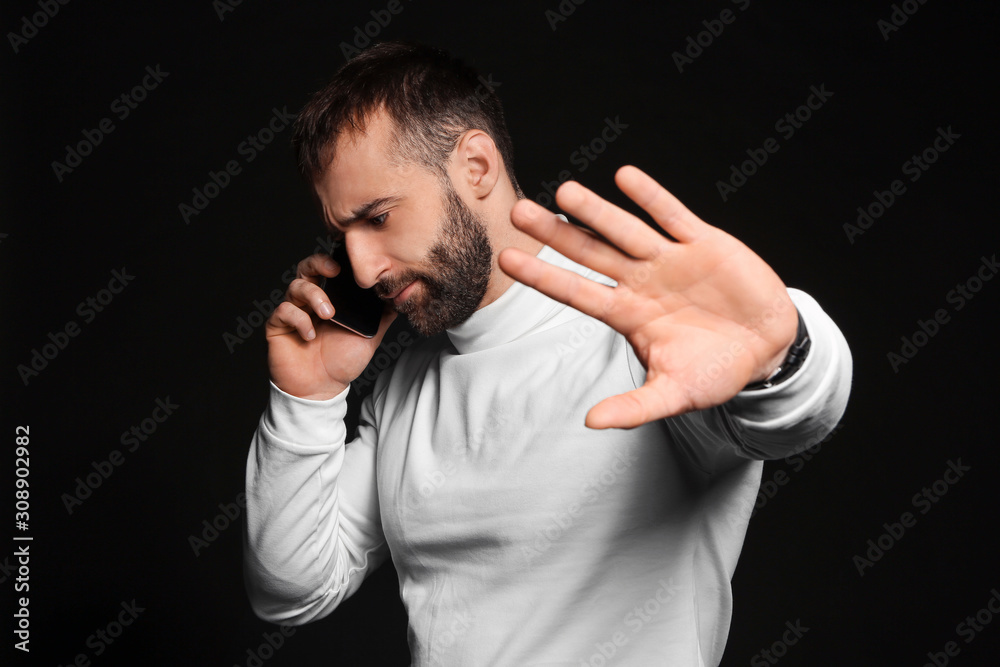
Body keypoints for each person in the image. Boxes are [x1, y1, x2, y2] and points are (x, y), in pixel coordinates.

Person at [243, 41, 852, 666]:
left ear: (476, 166)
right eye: (345, 234)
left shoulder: (645, 335)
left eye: (378, 217)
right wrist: (306, 398)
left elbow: (799, 417)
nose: (364, 268)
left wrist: (777, 351)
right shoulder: (402, 390)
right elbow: (291, 589)